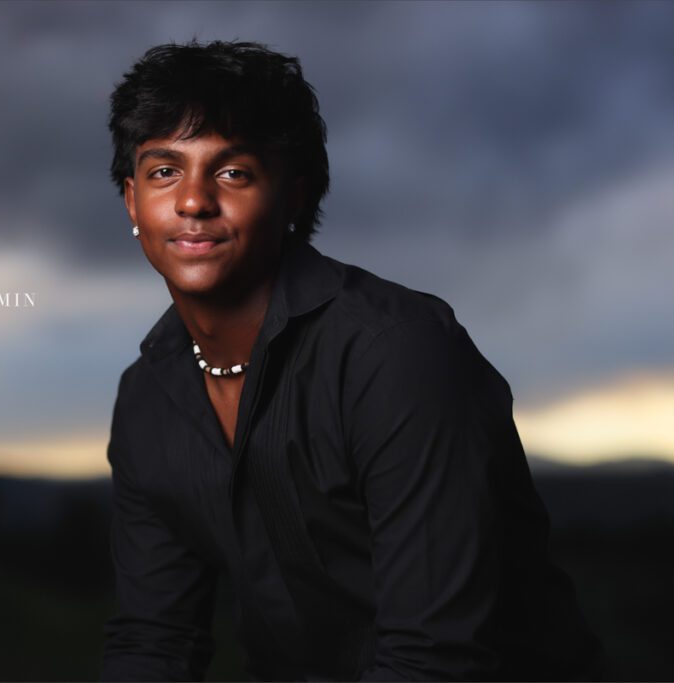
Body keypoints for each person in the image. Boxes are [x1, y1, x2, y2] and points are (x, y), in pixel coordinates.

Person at [101, 40, 605, 682]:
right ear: (131, 202)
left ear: (292, 196)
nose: (194, 201)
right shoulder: (148, 396)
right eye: (164, 171)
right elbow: (154, 641)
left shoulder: (396, 354)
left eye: (233, 173)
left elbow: (434, 662)